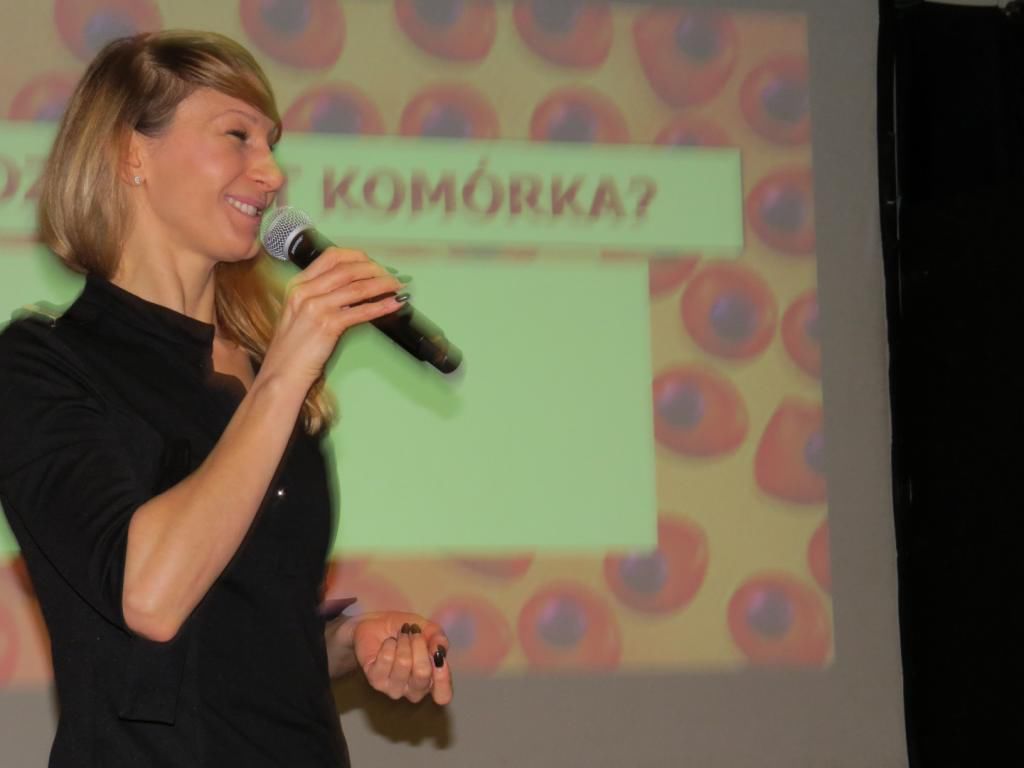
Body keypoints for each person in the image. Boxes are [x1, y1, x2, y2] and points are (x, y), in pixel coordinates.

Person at [0, 30, 452, 767]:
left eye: (272, 144)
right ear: (132, 154)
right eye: (236, 136)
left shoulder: (263, 372)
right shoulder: (42, 365)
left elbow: (240, 635)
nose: (270, 173)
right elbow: (149, 598)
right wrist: (285, 375)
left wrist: (347, 643)